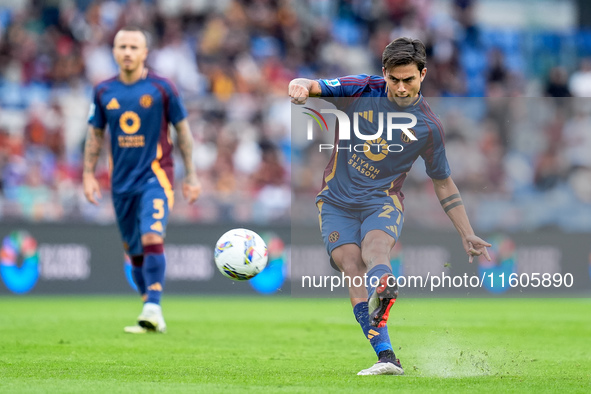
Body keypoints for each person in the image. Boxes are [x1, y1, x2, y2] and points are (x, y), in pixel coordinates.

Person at [288, 37, 491, 375]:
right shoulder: (360, 90)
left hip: (382, 201)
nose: (399, 88)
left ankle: (384, 289)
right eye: (393, 79)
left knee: (376, 250)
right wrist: (297, 86)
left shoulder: (429, 126)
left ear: (423, 74)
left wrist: (466, 233)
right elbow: (311, 84)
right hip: (335, 201)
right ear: (384, 72)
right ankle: (387, 357)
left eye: (408, 80)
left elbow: (443, 181)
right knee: (350, 265)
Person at [83, 26, 201, 334]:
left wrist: (191, 175)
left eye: (134, 47)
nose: (127, 52)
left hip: (156, 176)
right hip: (120, 184)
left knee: (151, 236)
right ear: (114, 51)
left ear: (145, 53)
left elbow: (183, 132)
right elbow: (95, 134)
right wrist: (87, 174)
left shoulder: (163, 88)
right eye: (122, 46)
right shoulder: (103, 91)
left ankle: (153, 307)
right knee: (134, 253)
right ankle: (151, 309)